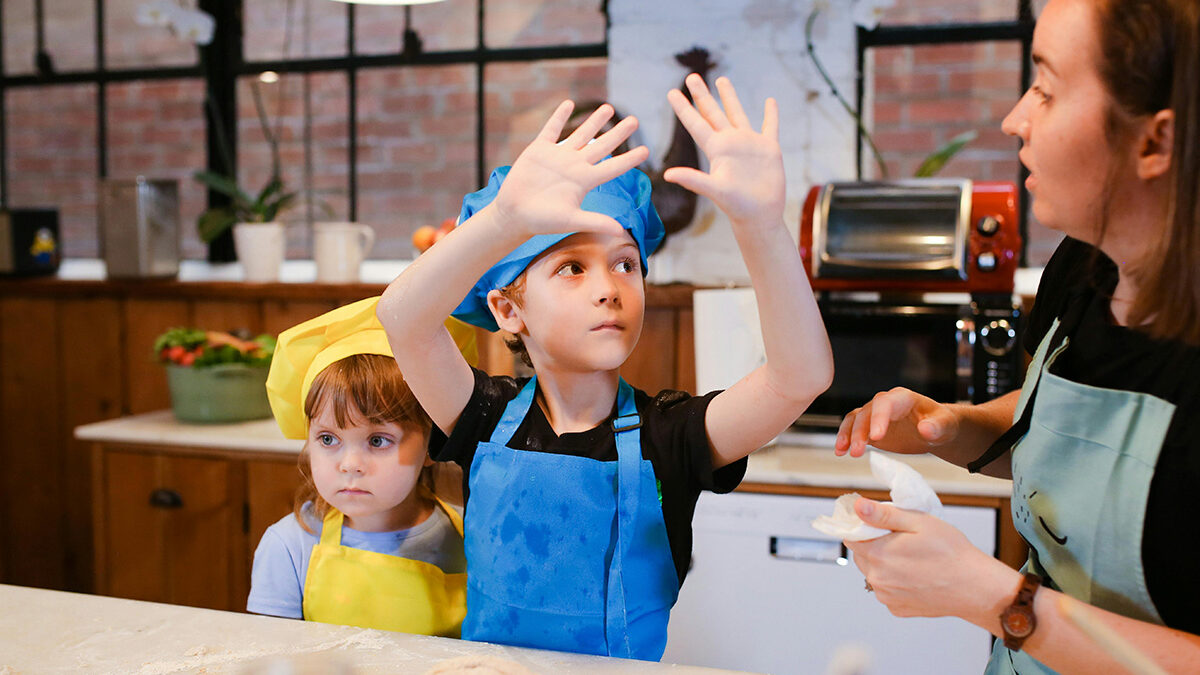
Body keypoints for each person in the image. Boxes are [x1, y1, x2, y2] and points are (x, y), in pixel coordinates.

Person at [377, 75, 833, 660]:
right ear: (507, 308)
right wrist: (503, 223)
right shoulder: (482, 415)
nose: (609, 290)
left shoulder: (672, 434)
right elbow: (403, 319)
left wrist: (764, 229)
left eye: (625, 265)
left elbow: (800, 377)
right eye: (572, 267)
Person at [833, 0, 1200, 672]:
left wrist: (999, 598)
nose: (1013, 119)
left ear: (1156, 141)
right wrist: (953, 425)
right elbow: (1051, 431)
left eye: (1047, 89)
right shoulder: (1084, 267)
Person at [247, 296, 478, 637]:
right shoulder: (289, 546)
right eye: (328, 439)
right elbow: (272, 657)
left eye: (377, 440)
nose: (350, 465)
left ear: (434, 443)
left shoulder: (472, 540)